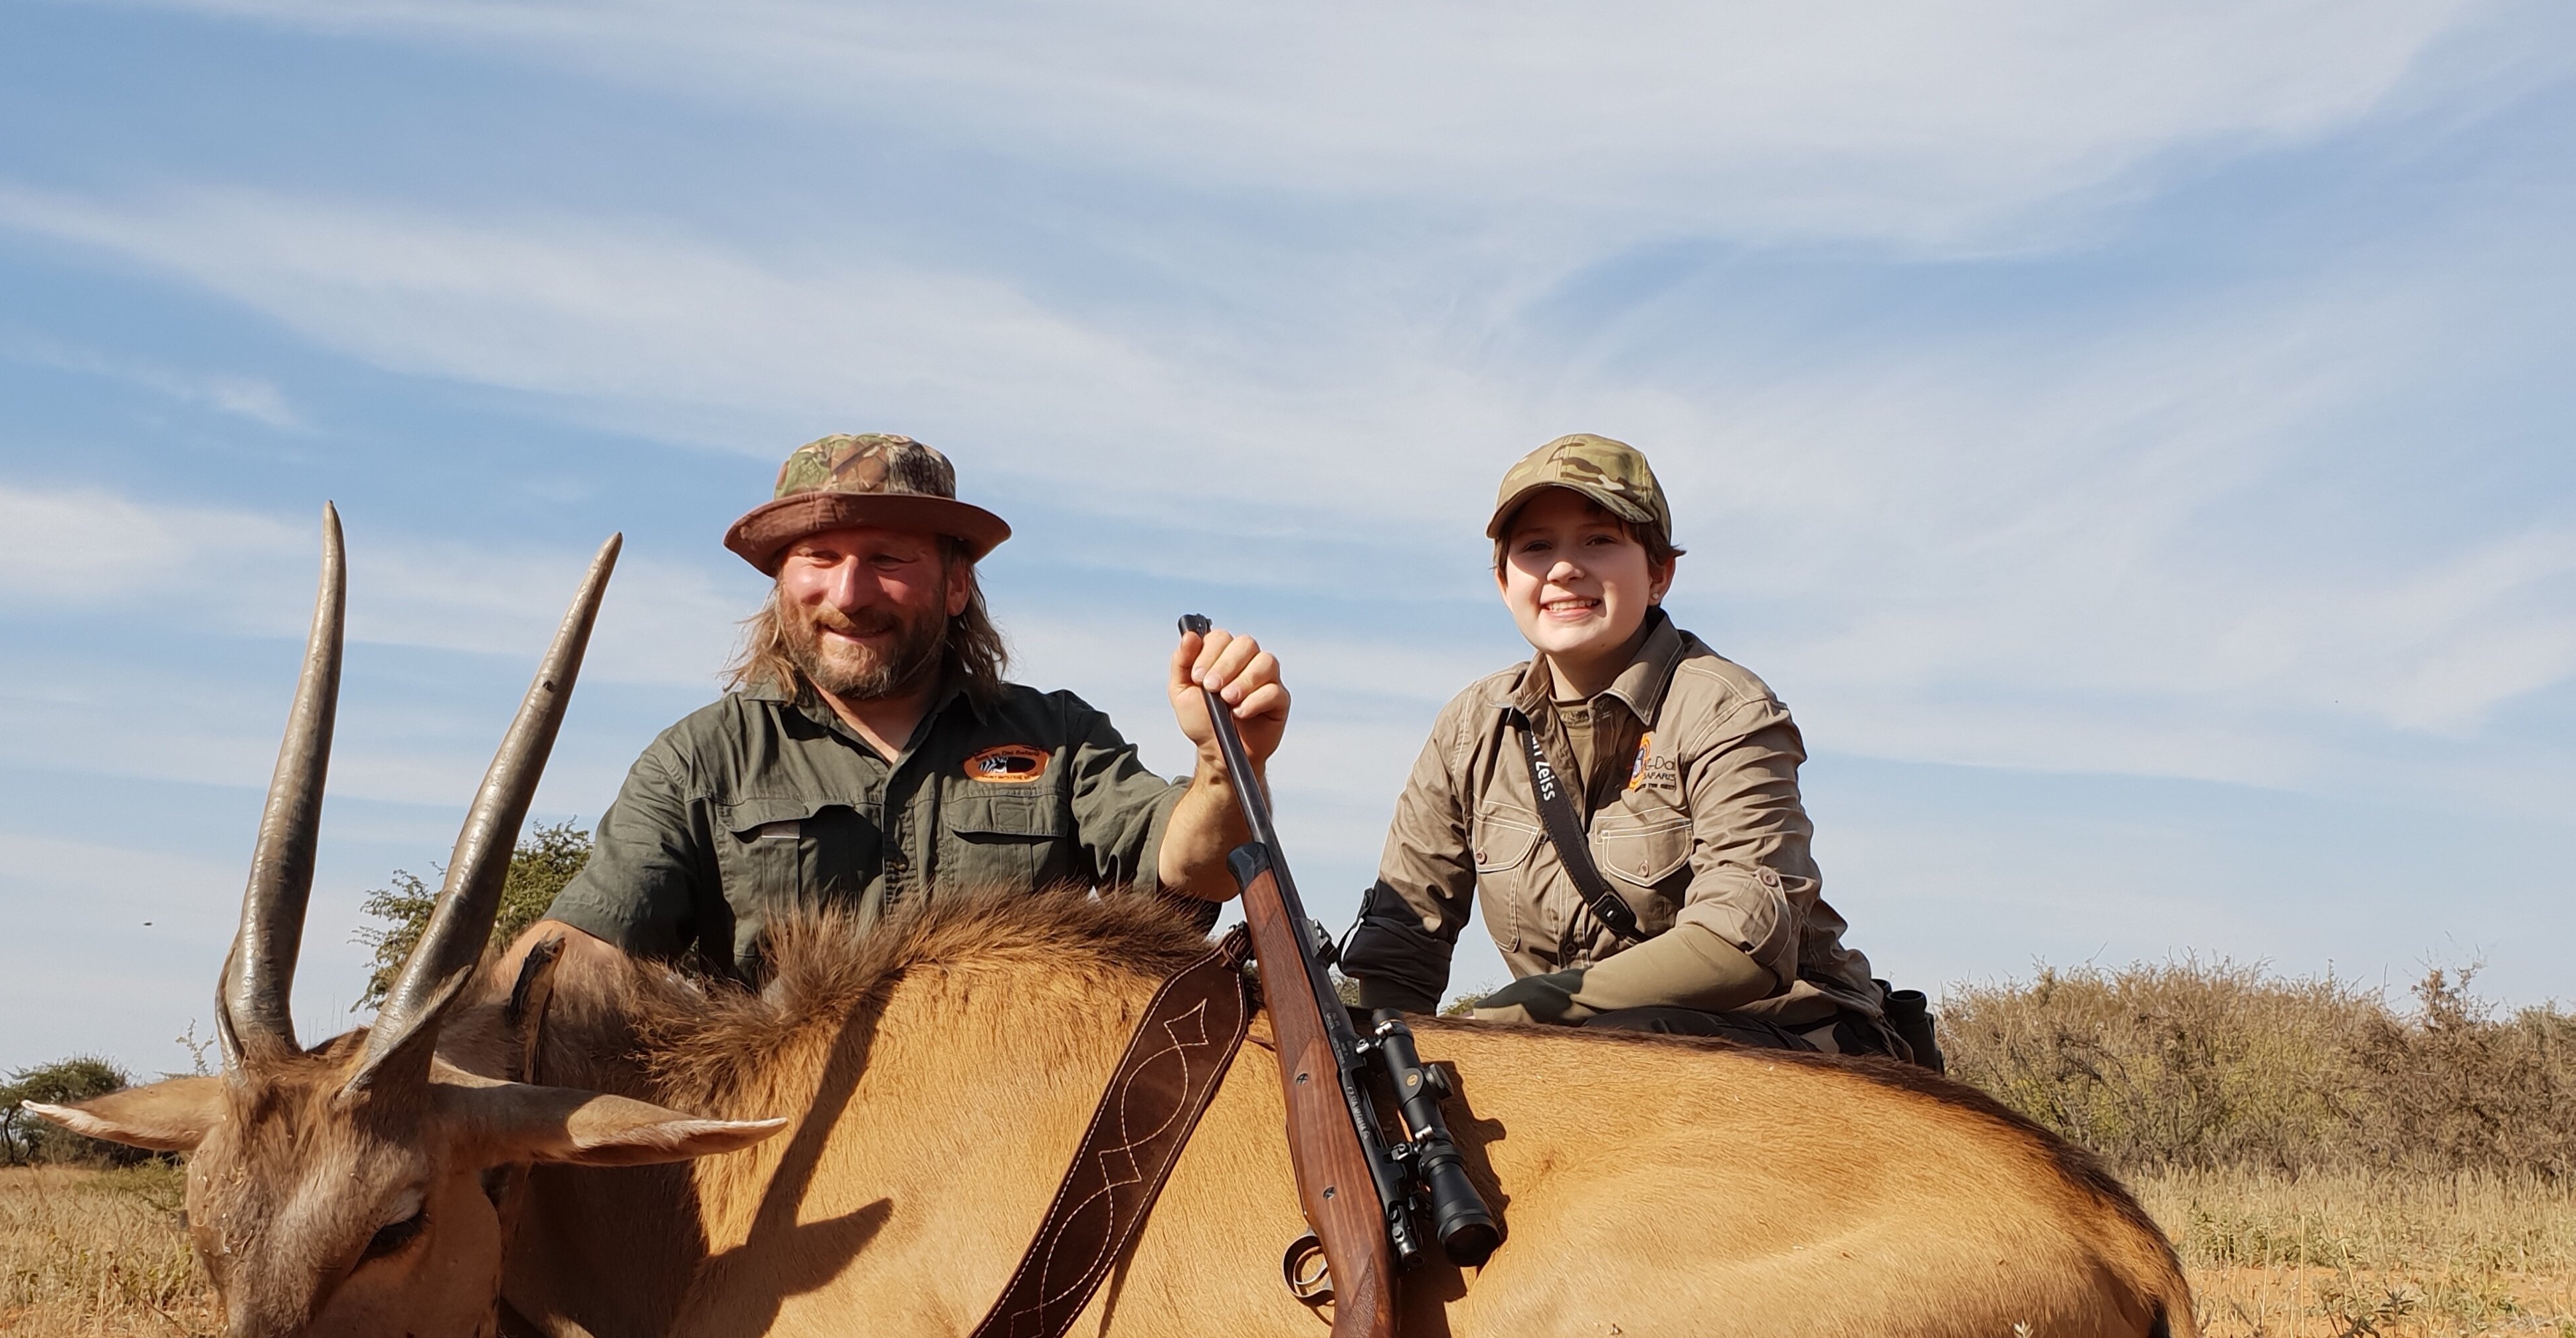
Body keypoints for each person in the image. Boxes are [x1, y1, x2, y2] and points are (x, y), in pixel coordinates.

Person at [532, 432, 1289, 985]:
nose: (850, 594)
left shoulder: (1057, 736)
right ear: (780, 582)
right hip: (782, 1157)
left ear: (956, 586)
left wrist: (1227, 765)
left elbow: (1191, 873)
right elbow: (584, 954)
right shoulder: (700, 759)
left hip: (1015, 1149)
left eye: (888, 560)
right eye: (819, 560)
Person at [1339, 433, 1927, 1063]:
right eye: (1537, 547)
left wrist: (1519, 1013)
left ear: (1659, 575)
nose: (1565, 568)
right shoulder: (1469, 726)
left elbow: (1742, 940)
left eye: (1600, 540)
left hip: (1789, 1046)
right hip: (1582, 1054)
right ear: (1504, 581)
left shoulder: (1727, 708)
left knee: (1623, 1049)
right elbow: (1402, 945)